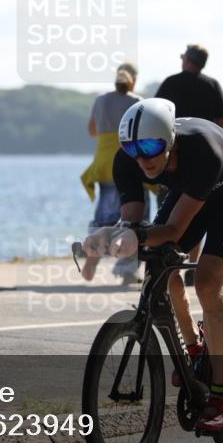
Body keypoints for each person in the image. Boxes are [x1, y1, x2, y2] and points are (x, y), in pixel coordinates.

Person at [82, 98, 223, 433]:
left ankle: (220, 398)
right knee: (158, 272)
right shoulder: (128, 162)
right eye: (133, 148)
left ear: (170, 141)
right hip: (189, 193)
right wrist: (110, 236)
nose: (143, 158)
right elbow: (133, 225)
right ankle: (194, 347)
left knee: (207, 284)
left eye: (150, 146)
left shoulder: (202, 150)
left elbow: (174, 231)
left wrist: (127, 238)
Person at [155, 44, 223, 284]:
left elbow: (154, 115)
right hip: (203, 158)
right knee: (195, 212)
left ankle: (168, 263)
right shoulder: (211, 85)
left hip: (171, 157)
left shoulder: (170, 82)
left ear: (187, 60)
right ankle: (189, 265)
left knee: (167, 214)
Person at [80, 63, 144, 284]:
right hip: (127, 160)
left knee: (104, 214)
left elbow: (91, 130)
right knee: (134, 218)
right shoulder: (137, 102)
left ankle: (93, 253)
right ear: (133, 80)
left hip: (104, 161)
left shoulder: (100, 100)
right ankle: (127, 269)